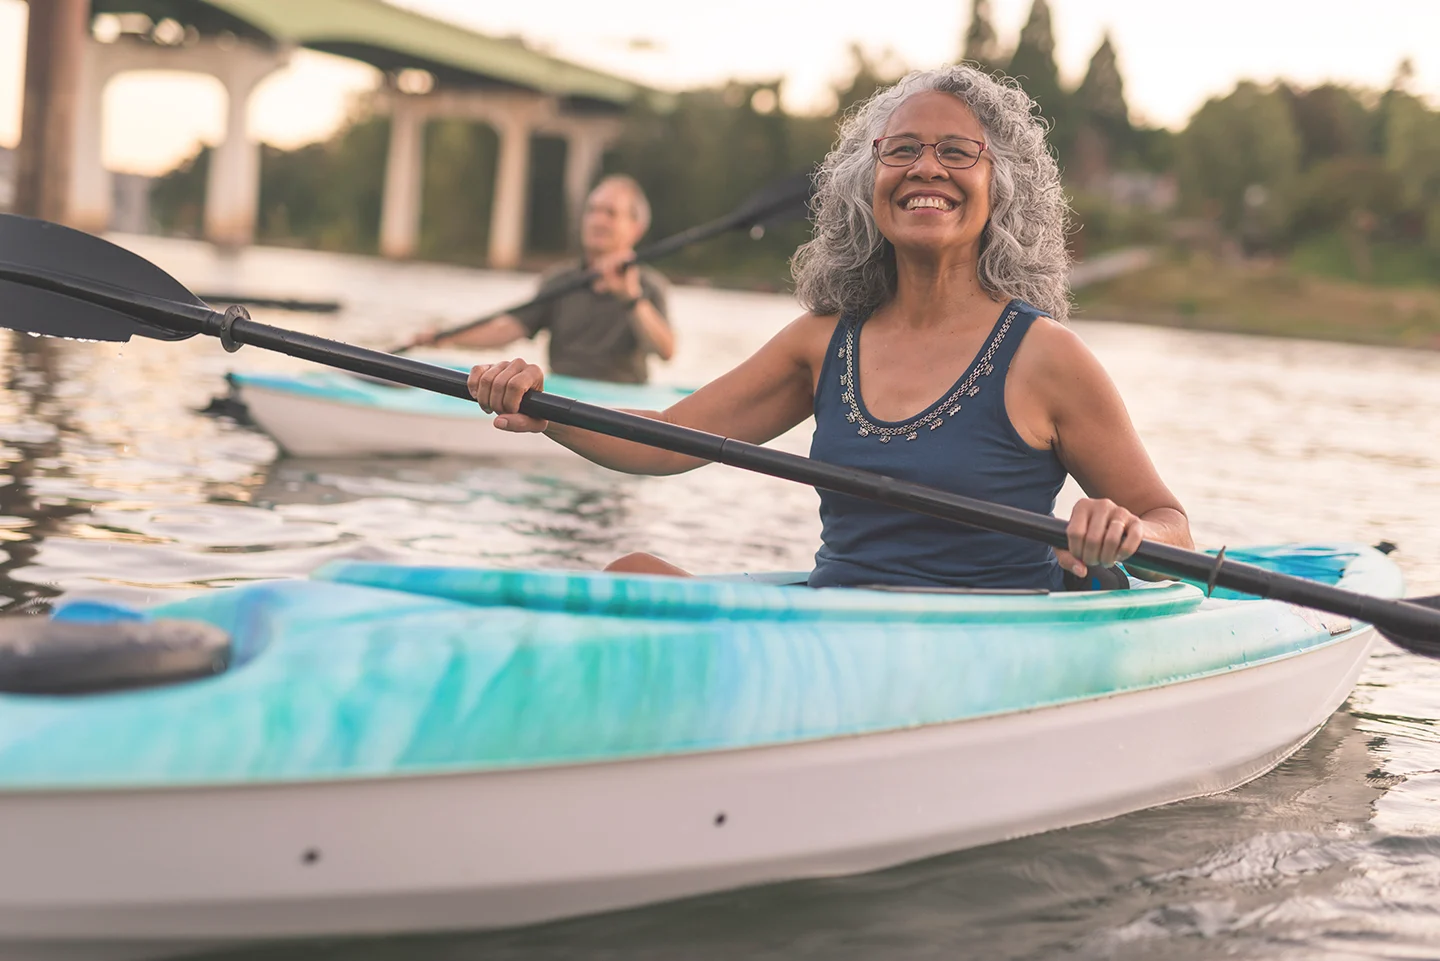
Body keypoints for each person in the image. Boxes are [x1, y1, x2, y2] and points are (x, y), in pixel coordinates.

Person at [467, 65, 1194, 589]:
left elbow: (1170, 521)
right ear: (866, 182)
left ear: (1000, 186)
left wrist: (1125, 532)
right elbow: (661, 438)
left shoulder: (1047, 356)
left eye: (957, 151)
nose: (925, 167)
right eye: (902, 149)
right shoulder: (822, 342)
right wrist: (541, 405)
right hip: (836, 633)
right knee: (629, 575)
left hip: (981, 644)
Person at [411, 174, 675, 385]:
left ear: (635, 228)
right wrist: (446, 336)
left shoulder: (650, 286)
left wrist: (630, 297)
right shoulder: (560, 279)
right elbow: (508, 329)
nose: (597, 220)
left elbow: (665, 351)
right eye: (592, 210)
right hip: (564, 392)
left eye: (610, 213)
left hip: (622, 401)